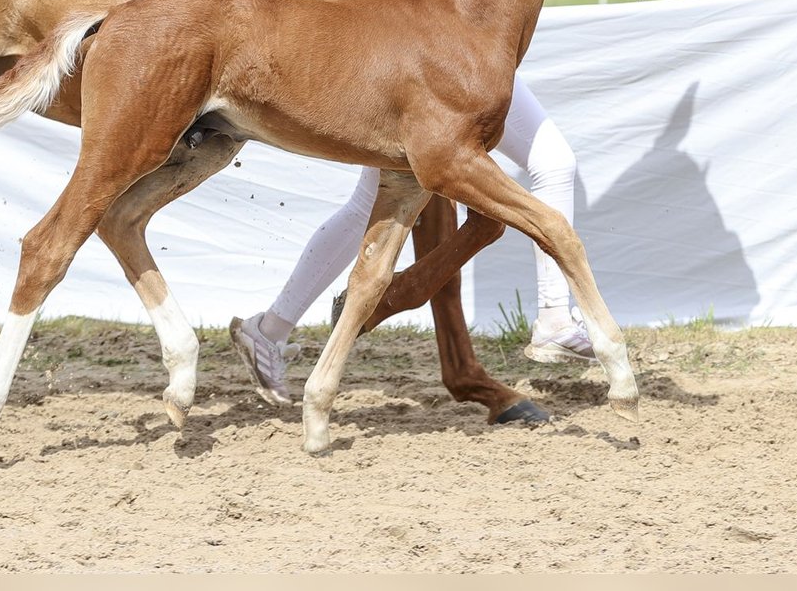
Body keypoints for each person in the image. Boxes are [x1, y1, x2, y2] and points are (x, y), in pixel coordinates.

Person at [230, 74, 591, 406]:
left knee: (367, 206)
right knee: (552, 164)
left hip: (442, 55)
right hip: (443, 62)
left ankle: (270, 329)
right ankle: (554, 316)